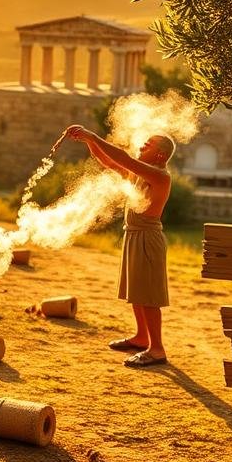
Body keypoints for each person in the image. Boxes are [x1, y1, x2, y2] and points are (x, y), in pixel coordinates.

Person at [63, 125, 175, 368]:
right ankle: (141, 337)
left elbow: (122, 158)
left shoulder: (160, 176)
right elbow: (110, 162)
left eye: (149, 143)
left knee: (149, 296)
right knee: (137, 291)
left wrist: (92, 135)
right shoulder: (138, 174)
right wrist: (87, 142)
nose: (143, 144)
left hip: (147, 238)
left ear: (160, 155)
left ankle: (156, 349)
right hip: (134, 236)